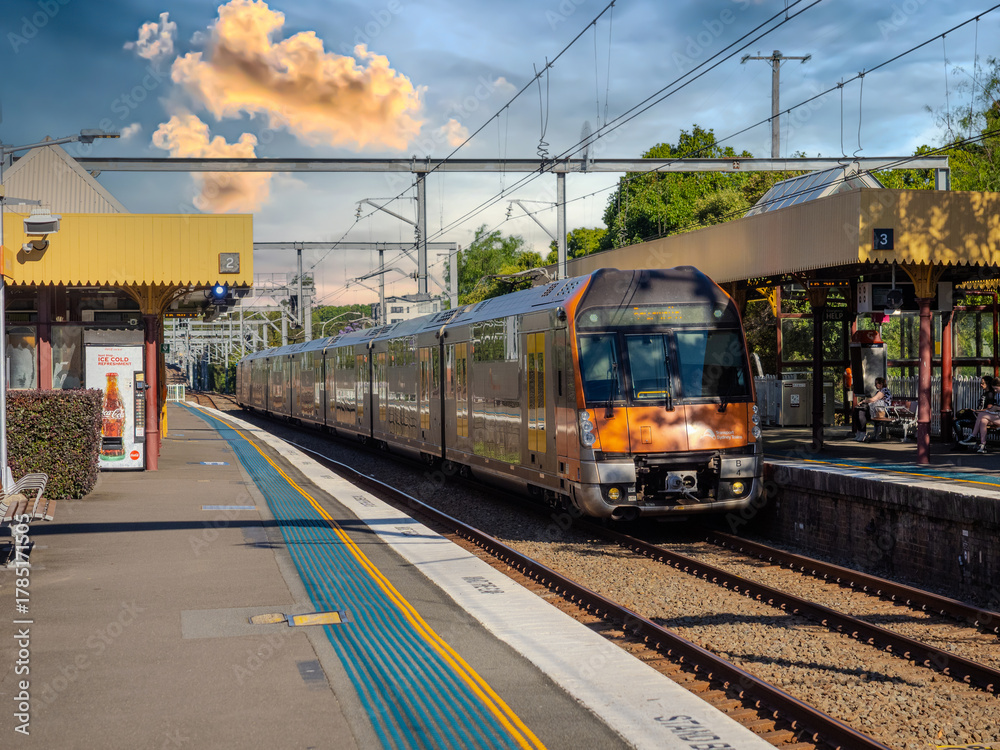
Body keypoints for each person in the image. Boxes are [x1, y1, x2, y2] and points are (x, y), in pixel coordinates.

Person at [960, 377, 1000, 453]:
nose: (995, 391)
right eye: (994, 389)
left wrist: (996, 407)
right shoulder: (998, 394)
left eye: (996, 388)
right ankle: (983, 444)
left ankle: (973, 436)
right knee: (983, 420)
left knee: (981, 414)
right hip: (997, 416)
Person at [953, 375, 995, 445]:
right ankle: (962, 442)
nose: (981, 385)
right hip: (977, 415)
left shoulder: (990, 394)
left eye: (983, 383)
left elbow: (989, 409)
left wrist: (976, 411)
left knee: (956, 422)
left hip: (979, 416)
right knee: (960, 415)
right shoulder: (986, 393)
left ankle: (961, 443)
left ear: (988, 384)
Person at [855, 376, 892, 442]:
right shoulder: (879, 391)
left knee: (861, 412)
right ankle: (860, 432)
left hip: (883, 412)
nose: (875, 385)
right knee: (858, 411)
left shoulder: (884, 391)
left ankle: (862, 433)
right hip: (877, 410)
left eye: (876, 383)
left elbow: (873, 400)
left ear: (881, 384)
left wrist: (863, 401)